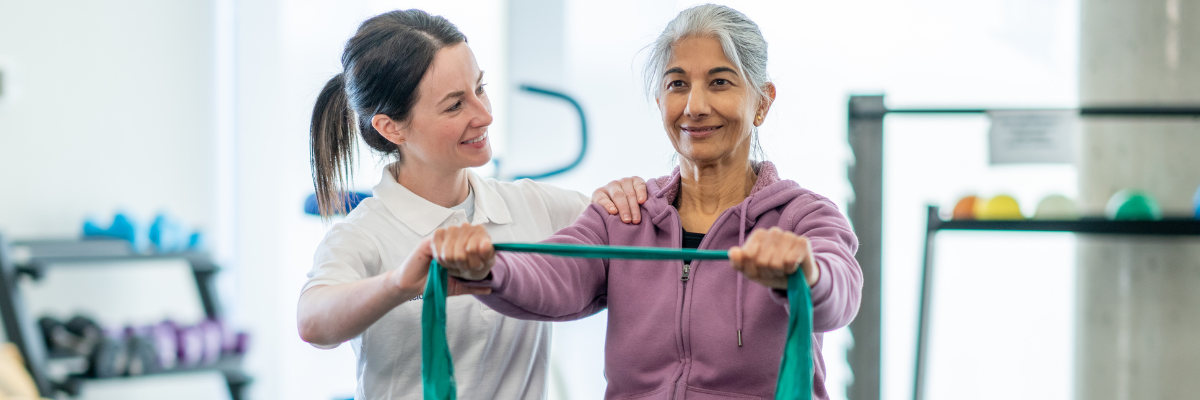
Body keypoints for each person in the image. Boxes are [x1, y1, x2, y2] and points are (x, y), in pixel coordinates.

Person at [422, 5, 861, 400]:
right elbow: (554, 270)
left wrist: (804, 270)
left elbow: (838, 291)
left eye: (720, 82)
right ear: (660, 101)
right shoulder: (626, 214)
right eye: (677, 84)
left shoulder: (803, 217)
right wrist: (487, 265)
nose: (695, 106)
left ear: (761, 102)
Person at [294, 9, 646, 400]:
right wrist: (400, 283)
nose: (485, 115)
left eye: (480, 88)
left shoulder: (536, 208)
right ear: (391, 127)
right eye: (454, 105)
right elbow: (312, 322)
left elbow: (639, 238)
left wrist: (625, 197)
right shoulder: (362, 236)